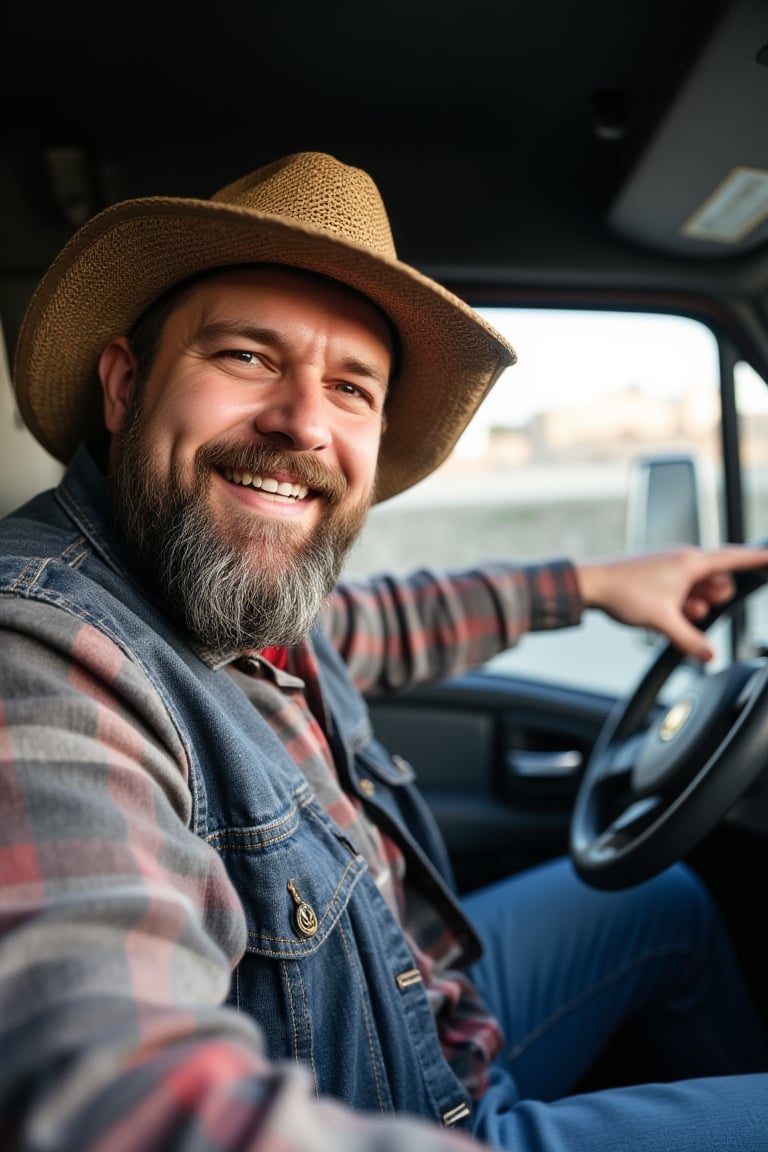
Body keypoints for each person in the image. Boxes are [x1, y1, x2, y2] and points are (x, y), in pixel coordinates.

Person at [1, 150, 767, 1152]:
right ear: (123, 383)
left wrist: (594, 586)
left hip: (428, 1030)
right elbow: (115, 1095)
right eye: (247, 357)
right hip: (399, 1118)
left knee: (662, 900)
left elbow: (382, 623)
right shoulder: (45, 658)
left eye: (354, 388)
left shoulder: (221, 599)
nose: (303, 424)